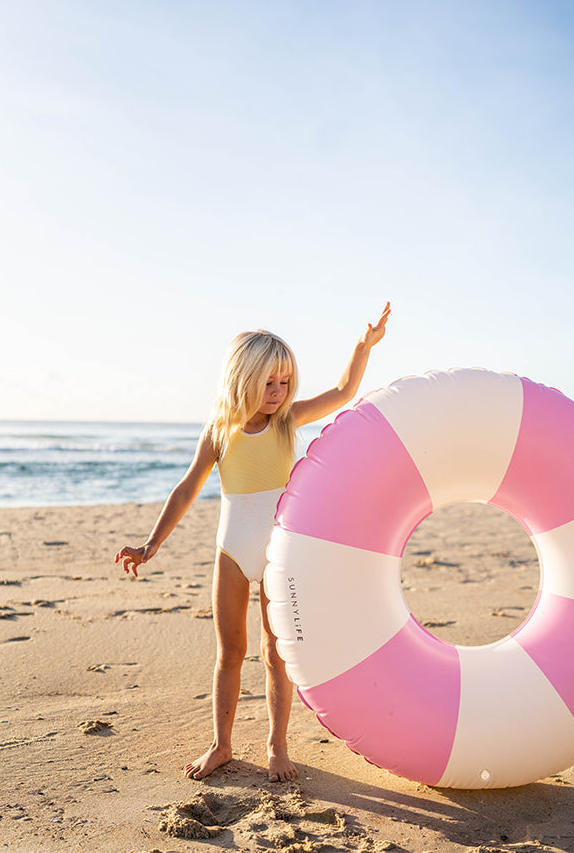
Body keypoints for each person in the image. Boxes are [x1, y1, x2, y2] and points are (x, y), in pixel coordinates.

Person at [114, 302, 391, 783]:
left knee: (275, 652)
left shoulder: (288, 421)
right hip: (231, 554)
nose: (278, 392)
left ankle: (276, 747)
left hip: (280, 557)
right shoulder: (219, 432)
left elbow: (345, 391)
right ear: (242, 379)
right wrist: (150, 543)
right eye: (269, 383)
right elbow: (186, 489)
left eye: (285, 383)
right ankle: (221, 744)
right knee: (229, 651)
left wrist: (362, 347)